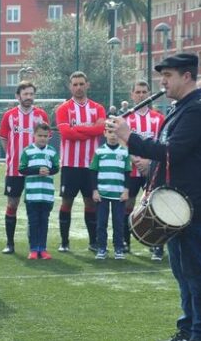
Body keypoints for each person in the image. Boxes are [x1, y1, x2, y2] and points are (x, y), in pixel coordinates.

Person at [108, 52, 201, 341]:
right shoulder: (183, 108)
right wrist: (150, 171)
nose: (162, 81)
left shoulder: (199, 109)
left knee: (196, 271)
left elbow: (173, 152)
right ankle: (188, 331)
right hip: (177, 204)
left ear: (186, 76)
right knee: (182, 271)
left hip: (192, 206)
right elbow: (170, 156)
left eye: (168, 75)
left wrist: (128, 136)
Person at [54, 71, 106, 253]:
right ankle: (64, 242)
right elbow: (66, 134)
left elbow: (100, 129)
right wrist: (89, 128)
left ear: (87, 85)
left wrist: (77, 128)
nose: (78, 87)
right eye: (75, 84)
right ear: (70, 87)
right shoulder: (63, 109)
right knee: (66, 202)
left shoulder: (98, 108)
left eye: (81, 84)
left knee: (91, 203)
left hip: (92, 166)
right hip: (70, 164)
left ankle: (93, 242)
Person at [0, 81, 50, 254]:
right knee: (12, 203)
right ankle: (10, 243)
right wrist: (13, 156)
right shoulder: (9, 116)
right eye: (25, 94)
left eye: (31, 94)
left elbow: (46, 138)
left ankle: (34, 244)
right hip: (15, 170)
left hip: (37, 170)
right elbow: (4, 138)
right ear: (18, 96)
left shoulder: (41, 115)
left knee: (35, 205)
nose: (28, 97)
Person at [124, 80, 165, 260]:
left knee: (156, 206)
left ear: (149, 94)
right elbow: (121, 141)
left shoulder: (159, 118)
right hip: (131, 169)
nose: (141, 95)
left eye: (144, 91)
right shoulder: (127, 118)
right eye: (138, 92)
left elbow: (163, 144)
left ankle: (157, 245)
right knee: (128, 205)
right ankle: (125, 242)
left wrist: (148, 161)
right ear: (132, 95)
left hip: (153, 169)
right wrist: (135, 159)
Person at [19, 122, 60, 259]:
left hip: (47, 194)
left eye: (45, 136)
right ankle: (33, 249)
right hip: (32, 194)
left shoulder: (52, 151)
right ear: (34, 136)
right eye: (40, 135)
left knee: (44, 221)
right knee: (33, 221)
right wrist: (37, 170)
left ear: (49, 136)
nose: (42, 138)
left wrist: (49, 171)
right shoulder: (27, 151)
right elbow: (22, 169)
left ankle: (42, 248)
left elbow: (56, 168)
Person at [90, 128, 131, 260]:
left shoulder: (124, 152)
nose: (113, 135)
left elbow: (127, 173)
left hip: (119, 194)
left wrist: (126, 190)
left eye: (115, 133)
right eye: (110, 132)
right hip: (102, 194)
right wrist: (95, 190)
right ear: (105, 134)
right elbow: (93, 172)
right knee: (101, 223)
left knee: (118, 222)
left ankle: (118, 248)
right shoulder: (99, 151)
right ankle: (102, 248)